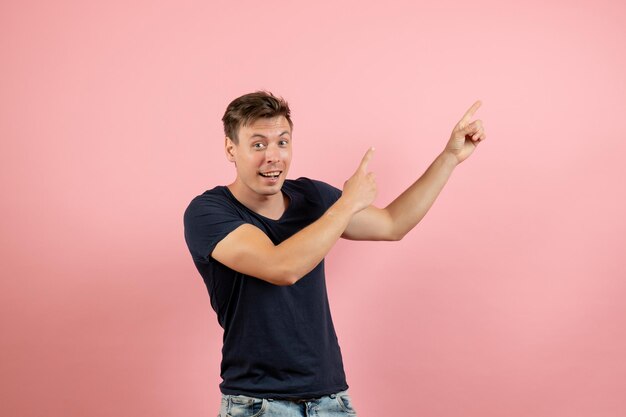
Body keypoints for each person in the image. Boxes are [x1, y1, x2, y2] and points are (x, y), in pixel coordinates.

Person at [183, 91, 486, 417]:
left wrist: (449, 157)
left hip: (330, 399)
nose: (273, 156)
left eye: (282, 142)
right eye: (258, 144)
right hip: (258, 403)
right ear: (231, 148)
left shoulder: (311, 197)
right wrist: (346, 204)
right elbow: (281, 267)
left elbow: (392, 224)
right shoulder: (208, 212)